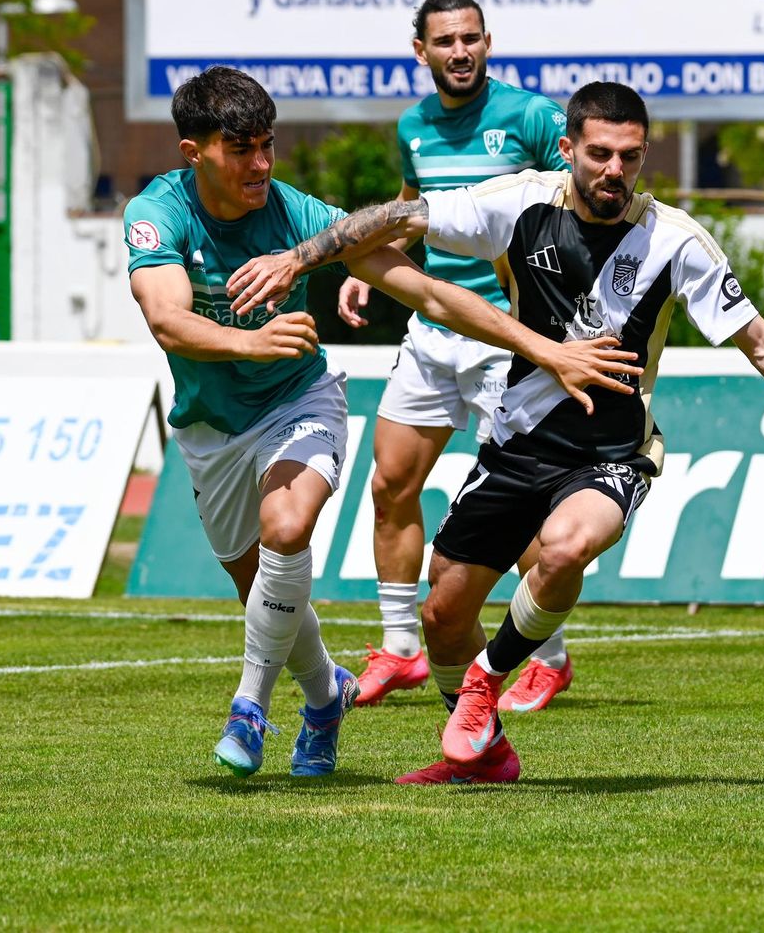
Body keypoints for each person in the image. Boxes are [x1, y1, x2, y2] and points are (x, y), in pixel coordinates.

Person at [226, 82, 764, 785]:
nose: (615, 171)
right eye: (600, 154)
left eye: (630, 157)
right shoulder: (518, 203)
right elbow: (401, 215)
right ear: (569, 149)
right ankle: (487, 756)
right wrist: (300, 258)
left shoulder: (676, 241)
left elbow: (760, 342)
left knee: (567, 545)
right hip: (517, 444)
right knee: (444, 612)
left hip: (612, 453)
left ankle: (485, 683)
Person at [125, 66, 641, 780]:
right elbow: (166, 318)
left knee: (286, 529)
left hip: (297, 403)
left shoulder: (300, 214)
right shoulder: (159, 212)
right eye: (241, 149)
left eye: (268, 145)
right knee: (266, 595)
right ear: (194, 153)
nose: (261, 164)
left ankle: (250, 705)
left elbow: (429, 293)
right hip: (209, 426)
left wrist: (543, 347)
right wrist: (249, 340)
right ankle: (324, 696)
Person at [338, 0, 579, 712]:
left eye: (471, 38)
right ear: (422, 51)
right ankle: (401, 649)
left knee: (527, 508)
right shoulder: (412, 125)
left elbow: (580, 206)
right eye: (445, 41)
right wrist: (373, 272)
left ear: (488, 42)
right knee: (389, 484)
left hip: (508, 340)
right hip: (433, 333)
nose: (460, 51)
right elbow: (416, 205)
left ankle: (548, 657)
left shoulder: (530, 116)